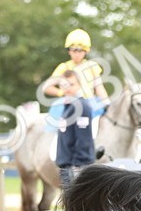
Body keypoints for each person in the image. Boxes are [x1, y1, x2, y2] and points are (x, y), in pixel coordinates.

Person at [44, 29, 108, 188]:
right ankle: (58, 156)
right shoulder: (63, 67)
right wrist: (62, 92)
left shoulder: (92, 66)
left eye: (79, 50)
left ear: (86, 51)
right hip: (68, 103)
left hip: (89, 103)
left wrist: (107, 102)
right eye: (73, 49)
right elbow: (47, 87)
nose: (76, 53)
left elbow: (99, 87)